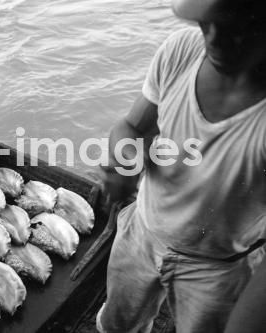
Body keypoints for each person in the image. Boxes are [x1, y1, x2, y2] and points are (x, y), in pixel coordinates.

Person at [96, 0, 266, 332]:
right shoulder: (181, 51)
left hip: (218, 268)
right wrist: (125, 166)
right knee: (117, 323)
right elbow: (131, 127)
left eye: (235, 29)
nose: (213, 39)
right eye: (206, 23)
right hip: (142, 231)